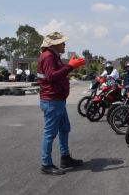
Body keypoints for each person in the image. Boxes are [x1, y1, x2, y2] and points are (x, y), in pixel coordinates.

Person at [37, 31, 86, 175]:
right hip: (52, 100)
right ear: (55, 44)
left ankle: (65, 158)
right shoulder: (48, 57)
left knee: (65, 128)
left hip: (57, 99)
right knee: (49, 133)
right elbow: (52, 77)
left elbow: (58, 73)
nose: (64, 44)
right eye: (63, 42)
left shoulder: (54, 56)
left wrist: (70, 65)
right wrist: (70, 66)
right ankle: (46, 164)